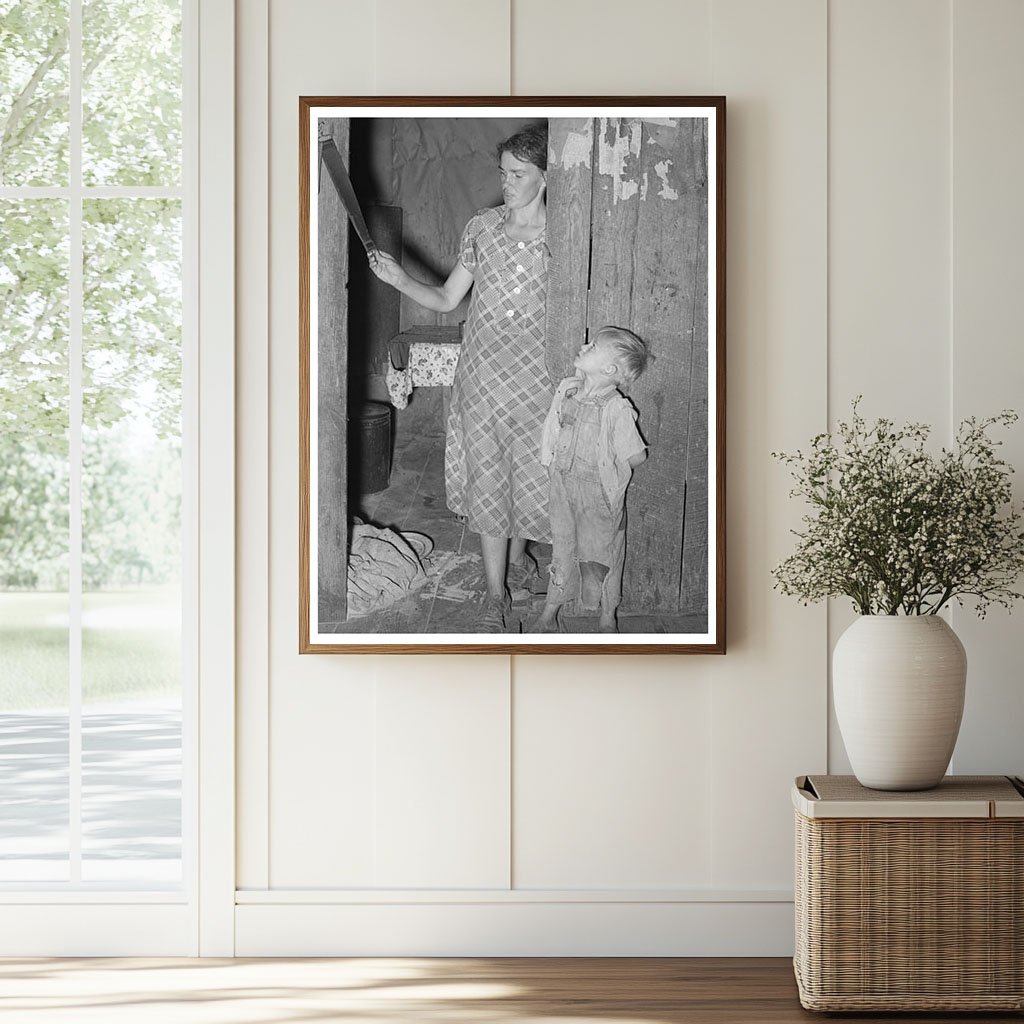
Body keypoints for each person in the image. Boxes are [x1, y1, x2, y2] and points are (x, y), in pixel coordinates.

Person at [368, 124, 551, 632]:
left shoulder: (564, 236)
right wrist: (400, 279)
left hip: (539, 380)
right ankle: (495, 597)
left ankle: (517, 561)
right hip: (483, 378)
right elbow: (449, 299)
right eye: (503, 172)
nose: (506, 183)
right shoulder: (482, 229)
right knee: (491, 479)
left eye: (518, 175)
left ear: (545, 177)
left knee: (532, 474)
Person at [534, 327, 649, 633]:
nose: (584, 346)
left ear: (609, 369)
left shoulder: (617, 408)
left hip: (599, 497)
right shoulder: (569, 391)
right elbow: (551, 432)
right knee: (562, 549)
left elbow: (637, 456)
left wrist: (609, 461)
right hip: (562, 487)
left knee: (603, 555)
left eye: (594, 346)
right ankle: (551, 611)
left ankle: (607, 616)